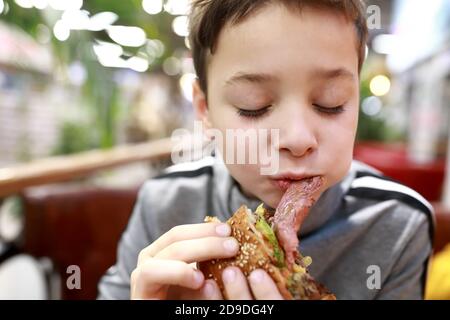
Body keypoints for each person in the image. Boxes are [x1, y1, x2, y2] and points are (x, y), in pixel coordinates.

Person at [97, 0, 434, 300]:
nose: (298, 138)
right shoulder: (163, 202)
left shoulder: (399, 224)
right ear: (205, 110)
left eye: (330, 103)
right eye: (253, 106)